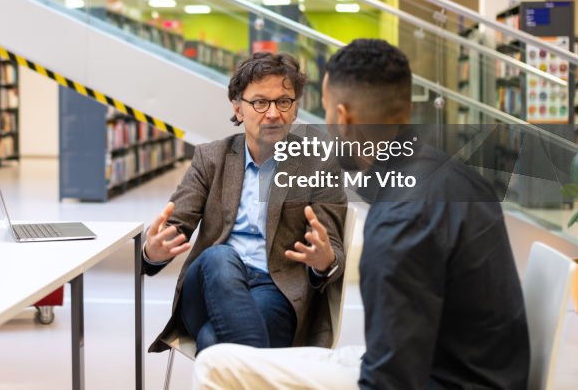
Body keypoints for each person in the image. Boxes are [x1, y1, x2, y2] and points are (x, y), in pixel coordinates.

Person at [193, 39, 530, 389]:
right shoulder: (450, 173)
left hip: (438, 379)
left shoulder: (401, 218)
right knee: (224, 356)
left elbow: (391, 382)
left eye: (324, 111)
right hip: (459, 367)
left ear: (343, 118)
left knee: (214, 366)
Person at [143, 52, 348, 354]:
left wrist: (324, 262)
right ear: (238, 108)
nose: (273, 113)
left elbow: (333, 253)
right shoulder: (211, 158)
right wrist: (153, 252)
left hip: (276, 288)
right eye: (260, 102)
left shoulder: (319, 165)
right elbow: (173, 228)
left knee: (214, 343)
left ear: (295, 109)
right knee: (219, 257)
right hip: (208, 284)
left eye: (283, 102)